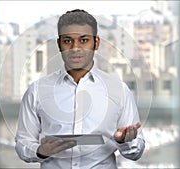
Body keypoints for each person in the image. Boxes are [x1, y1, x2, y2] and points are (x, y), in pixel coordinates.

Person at [15, 9, 145, 169]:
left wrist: (124, 141)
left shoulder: (119, 91)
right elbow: (22, 144)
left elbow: (136, 151)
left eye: (83, 40)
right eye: (68, 41)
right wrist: (40, 151)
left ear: (96, 43)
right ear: (59, 44)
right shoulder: (37, 91)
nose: (75, 48)